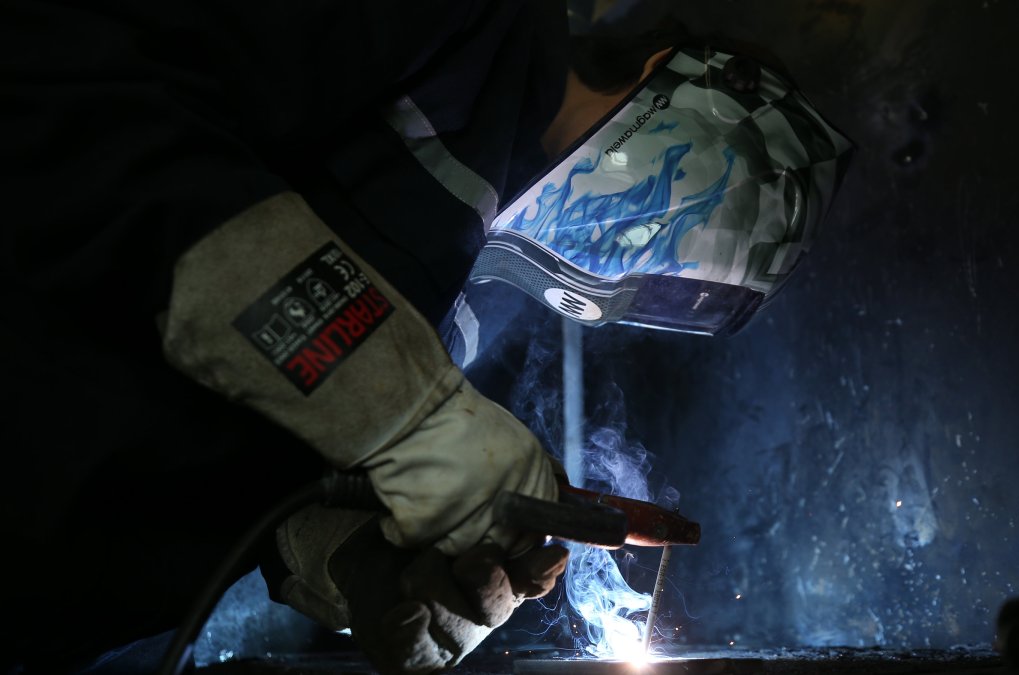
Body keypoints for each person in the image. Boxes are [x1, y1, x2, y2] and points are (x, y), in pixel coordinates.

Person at [0, 1, 850, 672]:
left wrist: (345, 556)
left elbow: (240, 419)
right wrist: (407, 412)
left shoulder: (461, 294)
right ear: (676, 88)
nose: (639, 272)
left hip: (62, 621)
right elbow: (70, 89)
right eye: (682, 234)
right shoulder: (455, 23)